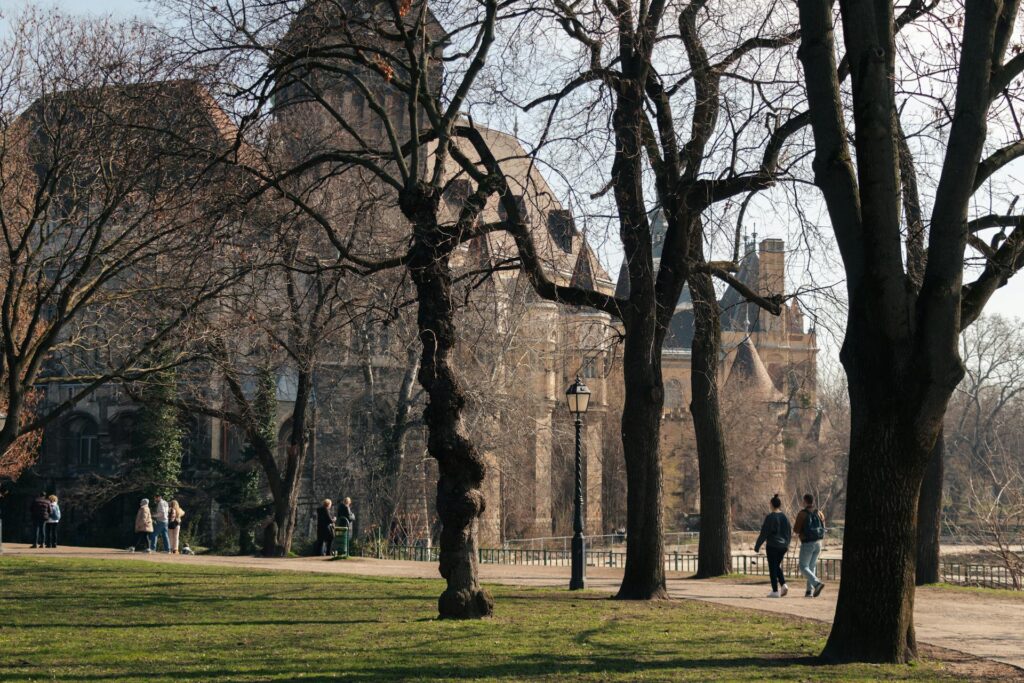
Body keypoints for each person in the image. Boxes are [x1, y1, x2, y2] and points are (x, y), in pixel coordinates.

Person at [754, 493, 792, 597]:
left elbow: (764, 532)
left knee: (772, 567)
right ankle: (783, 585)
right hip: (783, 546)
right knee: (776, 566)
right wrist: (787, 544)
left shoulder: (770, 517)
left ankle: (775, 591)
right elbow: (789, 532)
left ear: (771, 504)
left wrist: (757, 546)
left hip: (773, 546)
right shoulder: (785, 517)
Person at [792, 493, 827, 597]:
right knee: (812, 566)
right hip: (818, 543)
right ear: (813, 501)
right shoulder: (819, 513)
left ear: (805, 501)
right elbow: (823, 528)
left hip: (807, 543)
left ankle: (817, 583)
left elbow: (796, 530)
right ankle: (809, 591)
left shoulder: (802, 514)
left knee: (803, 566)